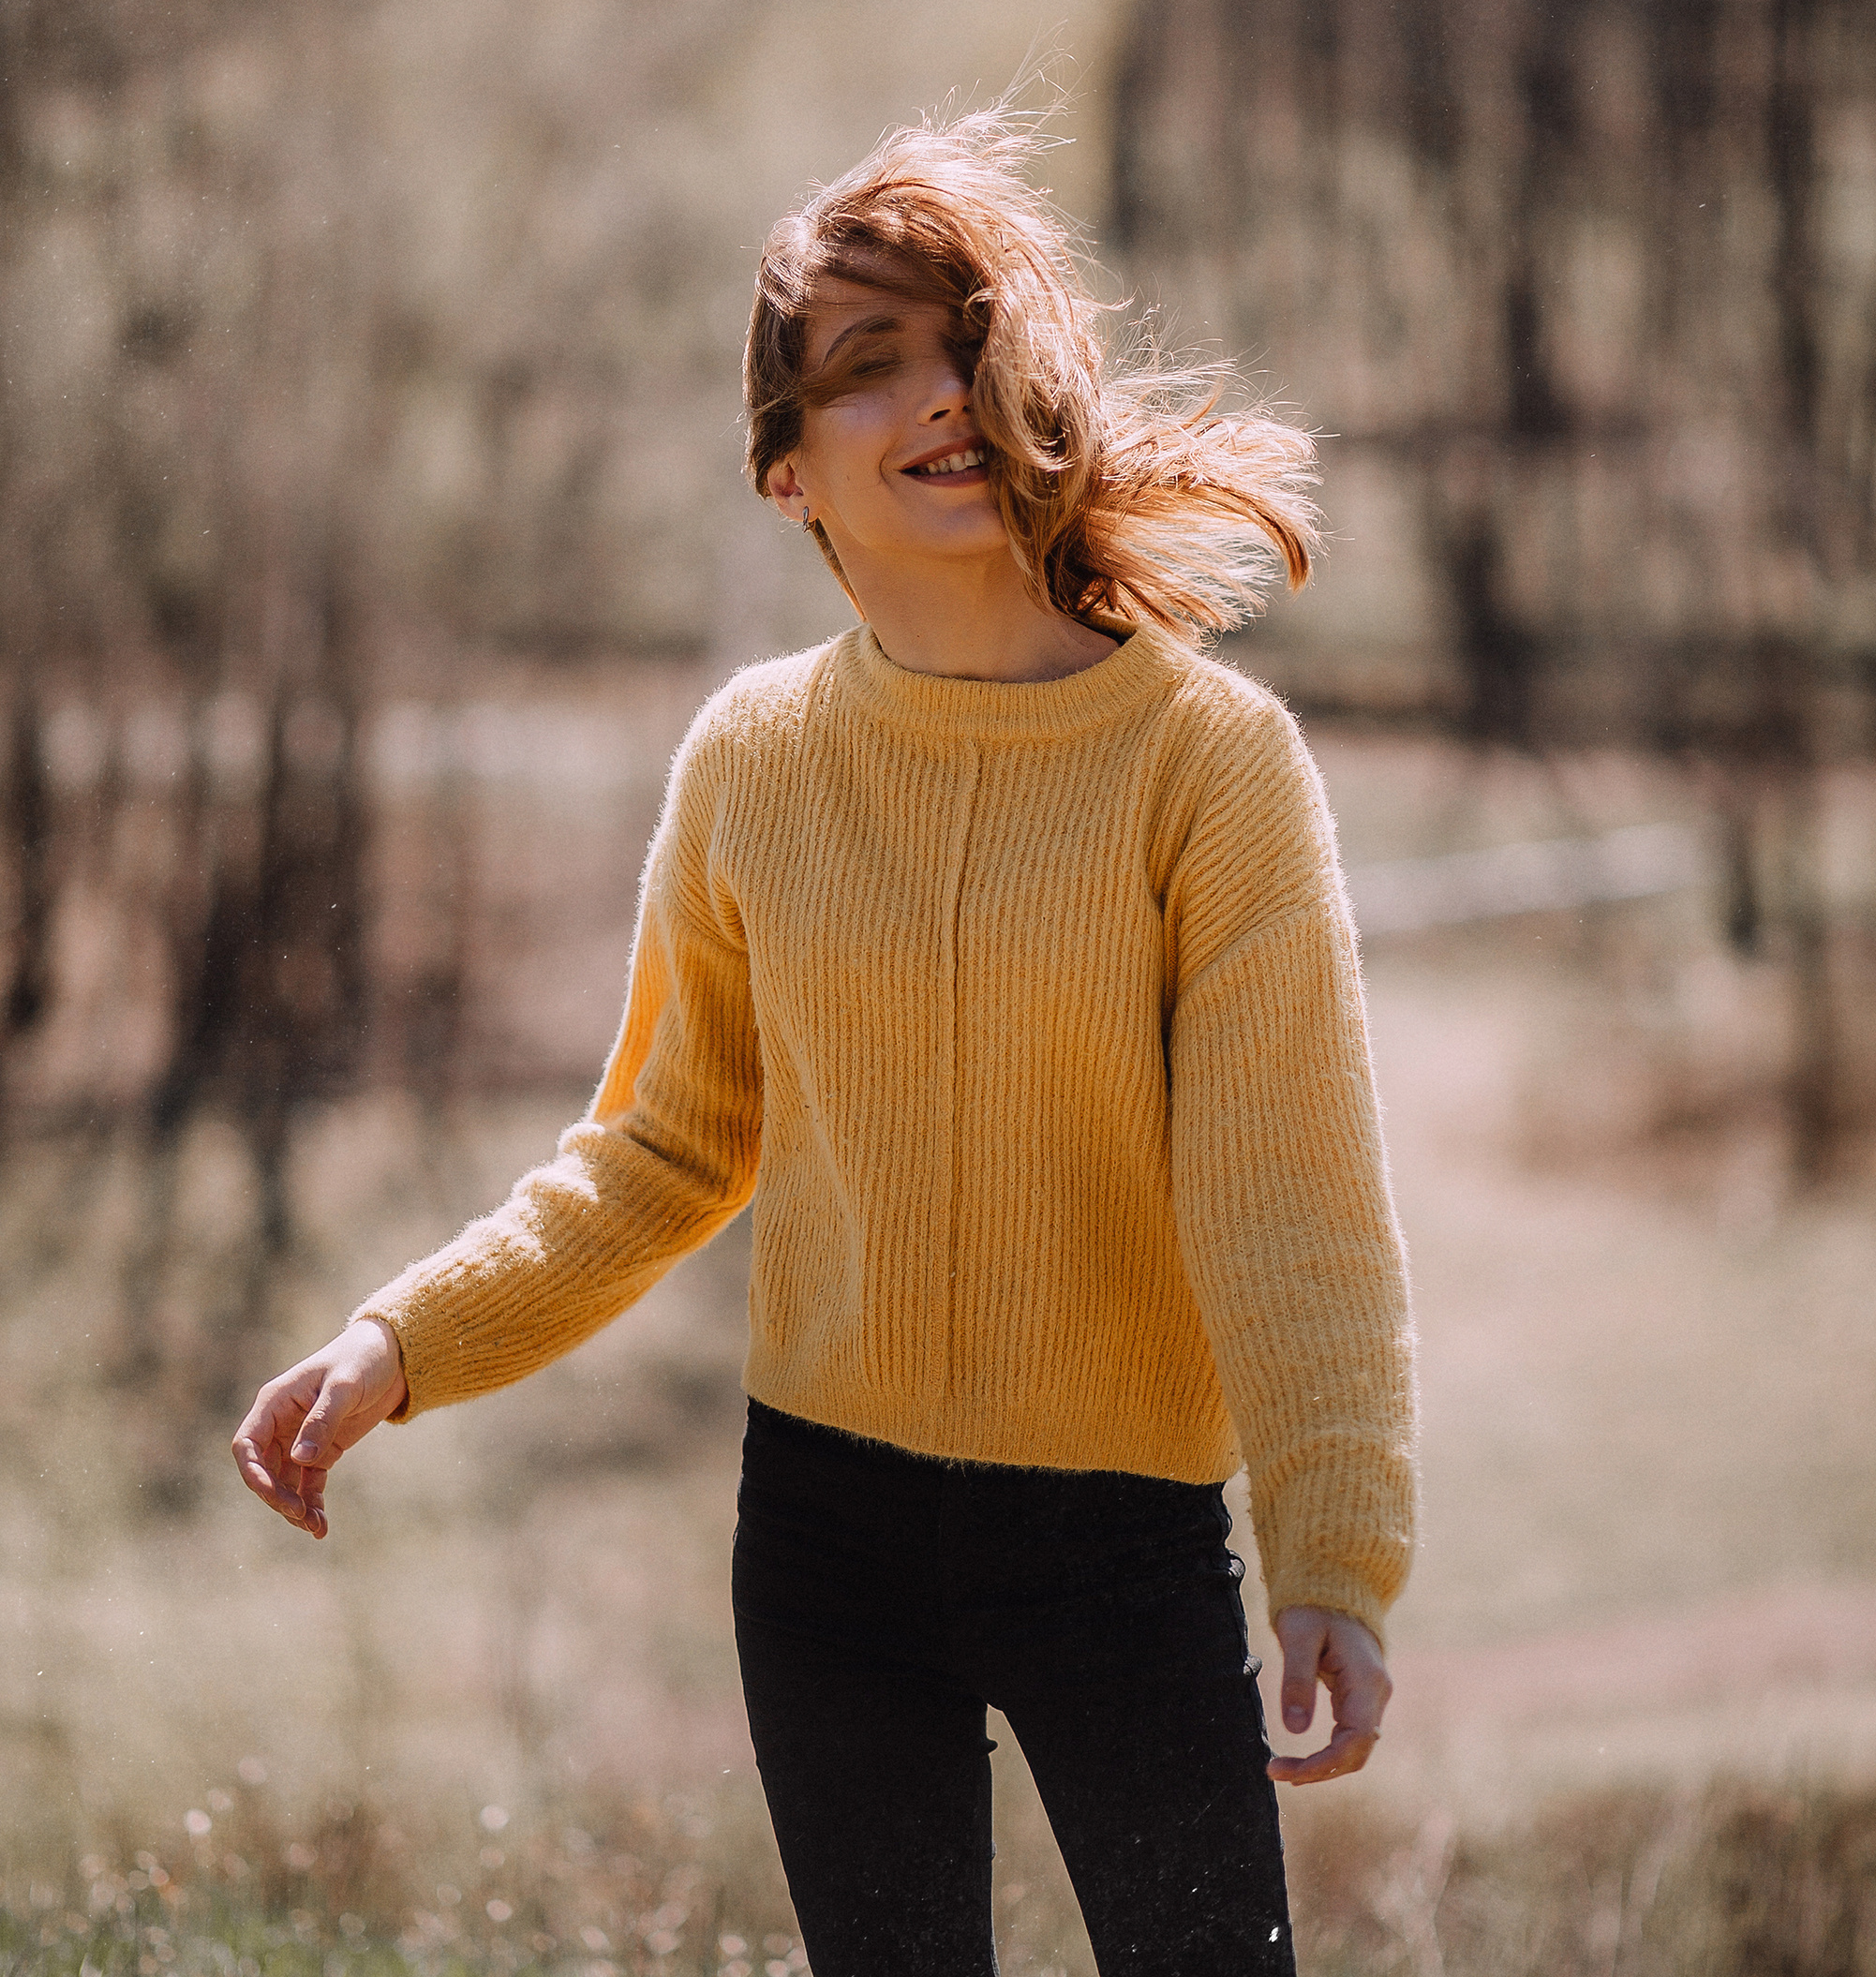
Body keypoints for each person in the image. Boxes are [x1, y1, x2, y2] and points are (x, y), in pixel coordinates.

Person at [234, 110, 1417, 1977]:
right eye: (867, 367)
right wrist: (404, 1338)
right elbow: (657, 1146)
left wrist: (1333, 1550)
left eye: (963, 342)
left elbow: (1287, 1198)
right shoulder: (754, 758)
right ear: (787, 471)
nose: (937, 394)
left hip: (1119, 1545)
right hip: (827, 1541)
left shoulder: (1212, 765)